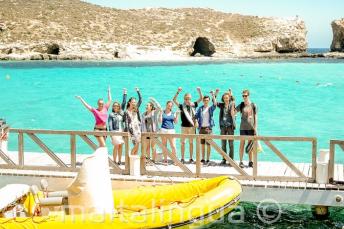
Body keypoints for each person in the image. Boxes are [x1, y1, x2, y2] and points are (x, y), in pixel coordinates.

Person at [173, 87, 203, 164]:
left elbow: (201, 98)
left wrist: (199, 91)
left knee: (191, 142)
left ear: (190, 99)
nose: (187, 100)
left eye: (189, 98)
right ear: (184, 99)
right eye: (186, 99)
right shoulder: (181, 106)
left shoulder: (193, 105)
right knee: (183, 143)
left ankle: (191, 158)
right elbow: (174, 100)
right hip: (183, 127)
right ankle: (182, 158)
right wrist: (178, 91)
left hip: (192, 127)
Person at [236, 89, 258, 168]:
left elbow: (256, 117)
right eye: (243, 96)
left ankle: (250, 161)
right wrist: (231, 98)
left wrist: (255, 128)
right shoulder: (241, 105)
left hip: (251, 128)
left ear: (249, 95)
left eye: (245, 95)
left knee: (250, 145)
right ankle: (241, 161)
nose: (244, 97)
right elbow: (234, 111)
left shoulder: (253, 105)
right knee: (242, 144)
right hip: (242, 128)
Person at [215, 88, 236, 165]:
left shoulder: (232, 104)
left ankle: (231, 160)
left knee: (231, 144)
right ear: (223, 99)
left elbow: (233, 99)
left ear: (229, 98)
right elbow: (214, 102)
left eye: (227, 98)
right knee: (223, 144)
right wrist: (215, 94)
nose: (226, 99)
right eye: (224, 98)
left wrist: (231, 92)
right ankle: (224, 159)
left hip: (230, 126)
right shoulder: (222, 105)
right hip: (223, 127)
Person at [195, 92, 217, 164]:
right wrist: (196, 121)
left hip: (208, 128)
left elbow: (215, 104)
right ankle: (203, 158)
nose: (206, 101)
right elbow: (196, 116)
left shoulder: (210, 108)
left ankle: (208, 159)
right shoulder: (200, 108)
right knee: (202, 144)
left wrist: (213, 95)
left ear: (209, 101)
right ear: (203, 101)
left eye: (207, 100)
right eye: (205, 100)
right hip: (201, 128)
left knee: (208, 144)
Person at [108, 88, 127, 165]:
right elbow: (109, 125)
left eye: (117, 106)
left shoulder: (121, 113)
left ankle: (119, 160)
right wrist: (111, 134)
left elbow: (124, 103)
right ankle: (114, 161)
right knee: (116, 146)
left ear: (119, 107)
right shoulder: (111, 114)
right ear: (113, 107)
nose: (116, 107)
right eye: (114, 106)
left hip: (121, 131)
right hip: (115, 132)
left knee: (120, 146)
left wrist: (125, 93)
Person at [123, 87, 142, 155]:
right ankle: (131, 157)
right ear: (129, 102)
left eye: (135, 102)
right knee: (136, 144)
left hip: (137, 128)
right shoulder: (126, 111)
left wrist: (138, 91)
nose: (134, 103)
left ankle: (133, 158)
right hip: (131, 129)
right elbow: (126, 123)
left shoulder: (136, 108)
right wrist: (125, 94)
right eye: (133, 102)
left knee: (137, 145)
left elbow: (140, 100)